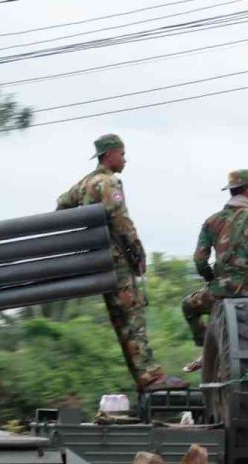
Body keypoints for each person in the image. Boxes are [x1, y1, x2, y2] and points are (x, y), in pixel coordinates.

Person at [56, 133, 185, 391]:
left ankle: (143, 378)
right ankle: (151, 377)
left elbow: (61, 204)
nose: (125, 159)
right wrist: (138, 252)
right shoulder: (108, 183)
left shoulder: (85, 184)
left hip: (96, 262)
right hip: (116, 263)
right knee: (133, 318)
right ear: (110, 154)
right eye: (122, 154)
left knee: (120, 321)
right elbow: (121, 221)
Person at [181, 170, 248, 372]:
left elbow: (200, 260)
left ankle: (207, 347)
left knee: (188, 306)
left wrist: (212, 279)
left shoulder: (212, 221)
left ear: (231, 191)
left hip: (220, 292)